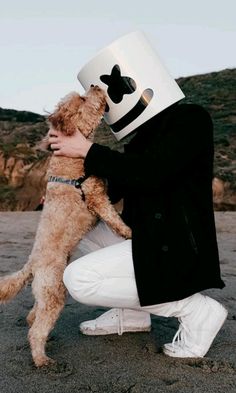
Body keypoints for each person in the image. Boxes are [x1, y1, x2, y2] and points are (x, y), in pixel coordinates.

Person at [48, 31, 227, 358]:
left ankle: (192, 309)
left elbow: (151, 172)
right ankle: (132, 314)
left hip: (176, 246)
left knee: (80, 281)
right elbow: (118, 185)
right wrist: (67, 187)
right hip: (146, 237)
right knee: (73, 241)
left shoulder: (191, 120)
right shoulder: (141, 139)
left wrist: (88, 150)